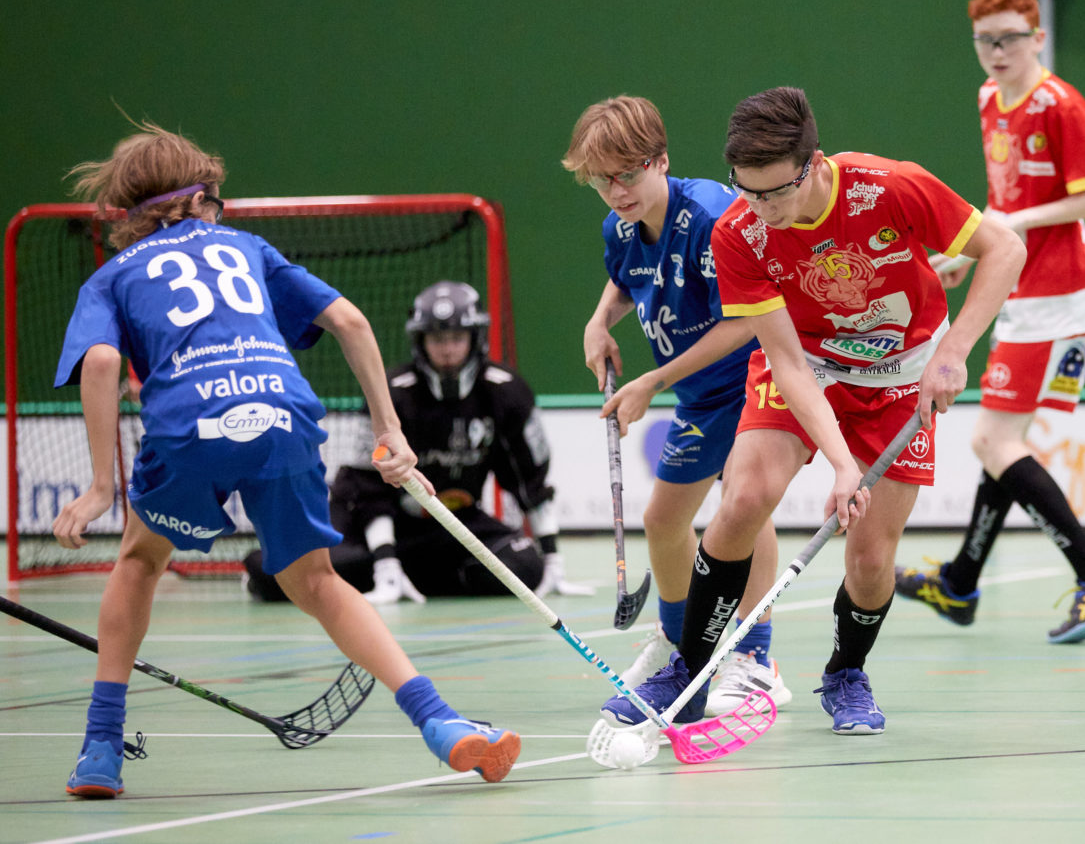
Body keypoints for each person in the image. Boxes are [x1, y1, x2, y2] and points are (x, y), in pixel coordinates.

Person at [52, 122, 519, 797]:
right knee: (318, 582)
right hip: (283, 413)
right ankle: (439, 720)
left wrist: (102, 486)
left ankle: (101, 747)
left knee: (140, 561)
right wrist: (389, 430)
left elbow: (100, 362)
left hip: (190, 425)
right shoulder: (247, 247)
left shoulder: (111, 275)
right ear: (199, 198)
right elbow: (351, 322)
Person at [600, 86, 1024, 735]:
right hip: (809, 360)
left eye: (776, 193)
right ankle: (691, 668)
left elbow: (1005, 248)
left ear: (814, 165)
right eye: (747, 191)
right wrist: (841, 463)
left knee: (871, 560)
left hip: (901, 375)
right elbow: (789, 363)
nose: (762, 210)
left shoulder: (889, 187)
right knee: (745, 497)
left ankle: (846, 673)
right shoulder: (738, 231)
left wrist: (955, 351)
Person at [894, 0, 1085, 644]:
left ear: (1037, 37)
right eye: (986, 40)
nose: (997, 51)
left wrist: (1016, 224)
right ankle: (961, 582)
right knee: (1005, 445)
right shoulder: (988, 99)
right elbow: (1003, 198)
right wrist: (972, 253)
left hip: (1061, 295)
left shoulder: (1059, 103)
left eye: (1010, 38)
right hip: (1023, 288)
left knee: (992, 441)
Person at [564, 95, 791, 716]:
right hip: (699, 392)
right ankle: (676, 641)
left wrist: (652, 382)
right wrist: (598, 321)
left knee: (743, 503)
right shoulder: (621, 226)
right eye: (601, 180)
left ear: (660, 160)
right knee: (664, 520)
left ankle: (755, 658)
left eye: (627, 174)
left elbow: (746, 321)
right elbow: (626, 277)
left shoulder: (713, 216)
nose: (616, 192)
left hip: (751, 376)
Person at [242, 280, 593, 604]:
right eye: (437, 339)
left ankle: (408, 573)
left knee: (524, 566)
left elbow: (530, 479)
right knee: (287, 573)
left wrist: (553, 562)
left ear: (475, 338)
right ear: (420, 341)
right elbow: (368, 488)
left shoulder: (507, 392)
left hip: (451, 520)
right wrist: (385, 563)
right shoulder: (392, 392)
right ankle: (385, 571)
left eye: (457, 337)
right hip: (371, 522)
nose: (447, 349)